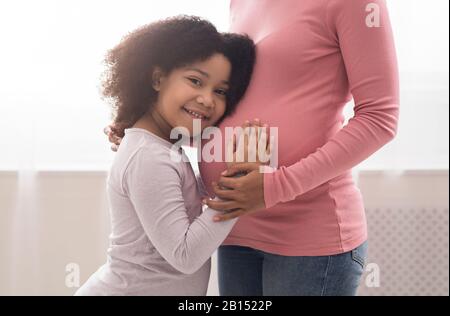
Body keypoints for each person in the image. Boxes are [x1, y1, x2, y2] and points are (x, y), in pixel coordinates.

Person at [107, 0, 399, 296]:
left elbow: (379, 118)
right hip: (232, 229)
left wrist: (276, 186)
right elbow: (237, 102)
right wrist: (152, 129)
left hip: (307, 236)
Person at [76, 16, 256, 296]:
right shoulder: (150, 158)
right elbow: (185, 255)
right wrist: (239, 188)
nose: (208, 99)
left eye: (220, 91)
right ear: (158, 79)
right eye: (195, 81)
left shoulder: (159, 147)